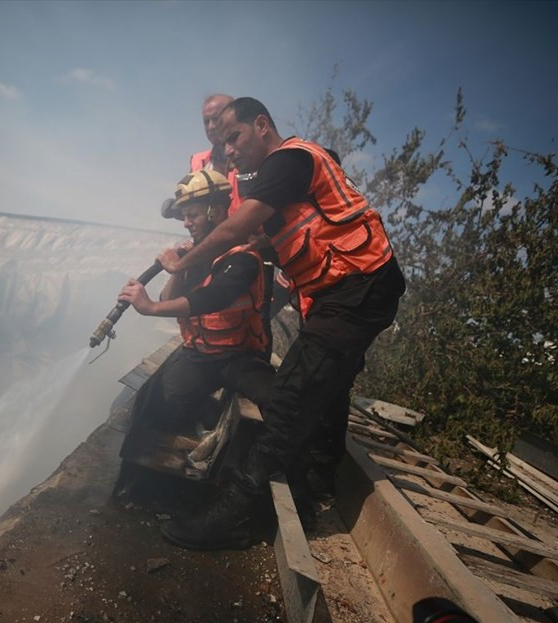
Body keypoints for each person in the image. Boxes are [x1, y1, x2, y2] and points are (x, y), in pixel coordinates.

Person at [157, 97, 407, 550]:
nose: (227, 149)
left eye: (234, 137)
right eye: (223, 141)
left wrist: (182, 263)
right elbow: (281, 239)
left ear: (262, 125)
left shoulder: (290, 159)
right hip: (349, 290)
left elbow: (236, 230)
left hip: (359, 287)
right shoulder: (282, 178)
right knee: (326, 389)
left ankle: (234, 512)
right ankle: (314, 487)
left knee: (292, 396)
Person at [115, 169, 273, 493]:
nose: (186, 222)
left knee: (277, 404)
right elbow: (169, 298)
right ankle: (141, 487)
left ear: (215, 210)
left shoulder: (242, 258)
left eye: (191, 214)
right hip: (200, 353)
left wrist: (151, 309)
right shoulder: (196, 256)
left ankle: (245, 486)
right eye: (184, 217)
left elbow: (210, 298)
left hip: (240, 355)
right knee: (153, 399)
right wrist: (179, 265)